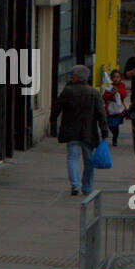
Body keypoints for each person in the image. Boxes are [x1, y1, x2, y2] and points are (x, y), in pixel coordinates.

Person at [50, 66, 108, 196]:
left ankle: (75, 185)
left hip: (71, 131)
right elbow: (101, 113)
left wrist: (52, 120)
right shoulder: (94, 93)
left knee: (72, 158)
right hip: (88, 132)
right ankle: (87, 187)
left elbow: (57, 107)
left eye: (73, 75)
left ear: (77, 77)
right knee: (89, 161)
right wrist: (104, 130)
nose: (71, 77)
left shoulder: (68, 91)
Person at [102, 69, 127, 144]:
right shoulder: (110, 86)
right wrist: (111, 94)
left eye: (118, 77)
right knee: (110, 125)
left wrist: (118, 91)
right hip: (110, 110)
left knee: (115, 125)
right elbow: (104, 97)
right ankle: (114, 135)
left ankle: (115, 138)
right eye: (114, 77)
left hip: (118, 110)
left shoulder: (121, 86)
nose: (116, 79)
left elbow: (124, 95)